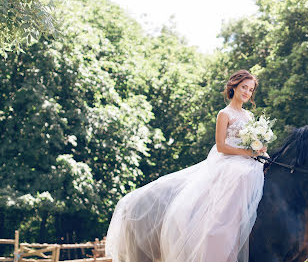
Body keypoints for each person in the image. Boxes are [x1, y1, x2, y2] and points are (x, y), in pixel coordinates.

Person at [105, 70, 266, 262]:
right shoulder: (225, 114)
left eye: (250, 89)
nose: (247, 92)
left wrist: (260, 147)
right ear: (234, 87)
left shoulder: (248, 115)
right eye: (244, 87)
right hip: (229, 160)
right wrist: (247, 152)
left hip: (249, 158)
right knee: (240, 177)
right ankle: (220, 234)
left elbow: (252, 142)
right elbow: (222, 146)